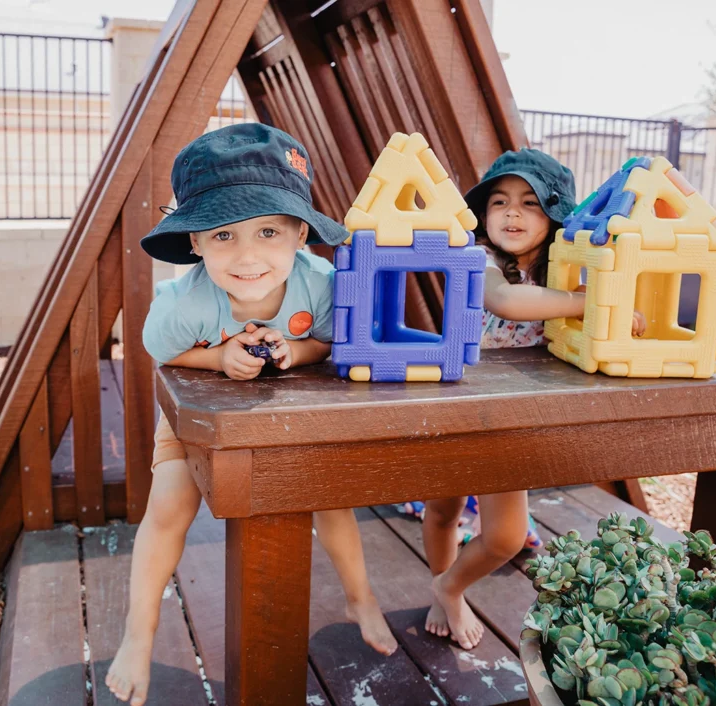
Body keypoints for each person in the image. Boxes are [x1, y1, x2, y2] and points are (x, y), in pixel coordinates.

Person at [105, 123, 398, 706]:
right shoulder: (187, 302)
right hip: (198, 415)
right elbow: (162, 351)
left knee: (334, 498)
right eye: (222, 235)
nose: (246, 256)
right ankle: (139, 631)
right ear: (195, 243)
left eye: (268, 232)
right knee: (167, 508)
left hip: (294, 416)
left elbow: (333, 342)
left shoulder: (321, 284)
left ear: (299, 234)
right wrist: (217, 358)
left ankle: (361, 595)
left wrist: (298, 350)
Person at [420, 149, 646, 650]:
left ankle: (449, 584)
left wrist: (619, 315)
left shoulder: (565, 273)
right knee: (442, 509)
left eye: (530, 203)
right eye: (499, 202)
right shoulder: (479, 260)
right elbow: (505, 302)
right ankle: (446, 589)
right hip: (457, 400)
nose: (511, 213)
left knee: (503, 537)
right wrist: (590, 303)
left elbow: (602, 315)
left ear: (558, 217)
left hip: (512, 418)